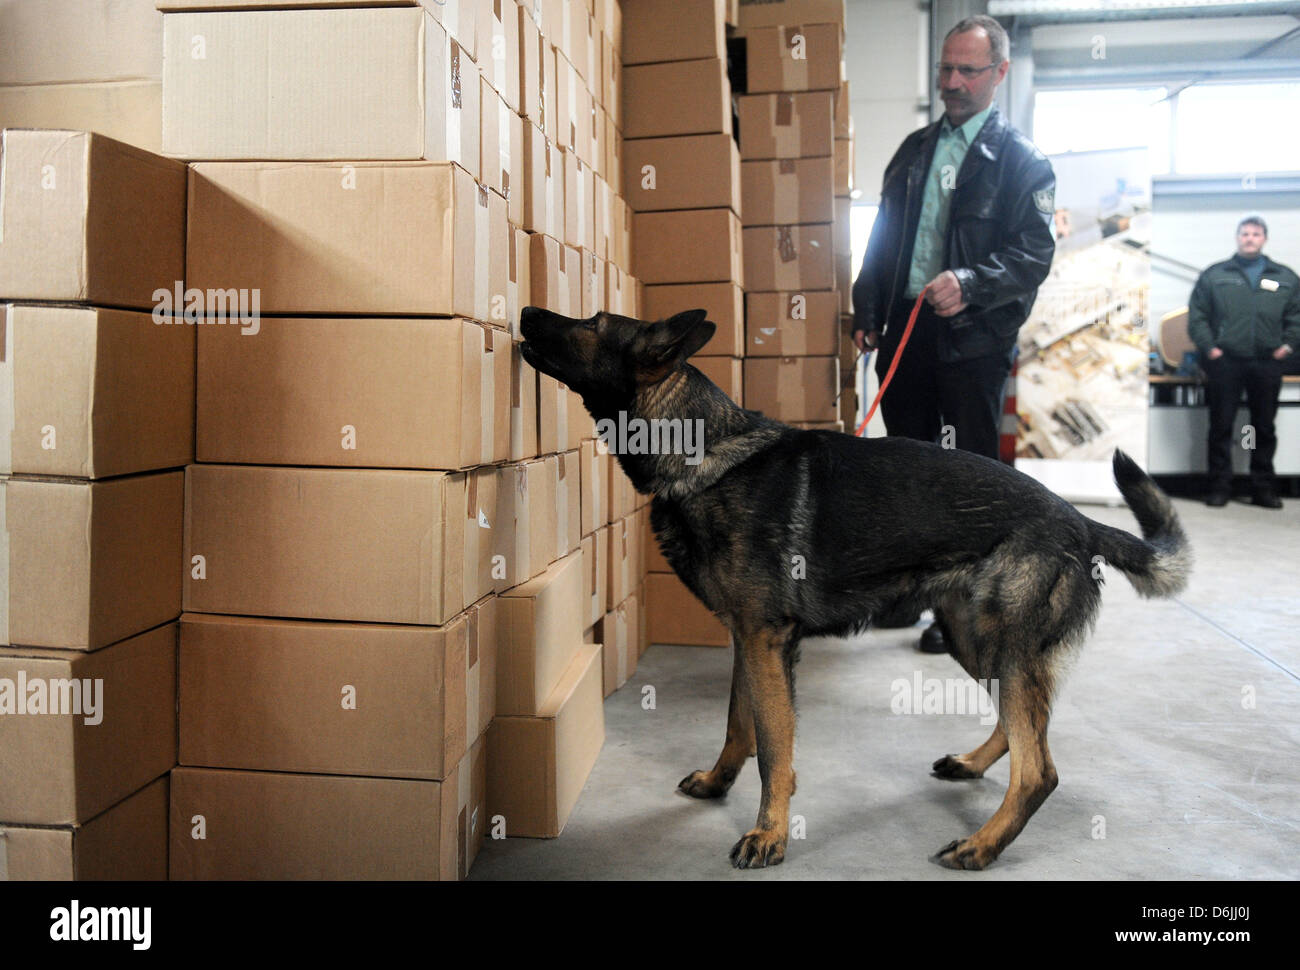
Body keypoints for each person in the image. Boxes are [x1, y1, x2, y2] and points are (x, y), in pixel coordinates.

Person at [851, 15, 1056, 654]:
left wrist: (969, 281)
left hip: (971, 343)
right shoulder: (913, 151)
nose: (954, 82)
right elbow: (884, 238)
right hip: (906, 332)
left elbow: (1033, 254)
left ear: (1000, 73)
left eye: (969, 70)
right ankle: (912, 594)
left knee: (967, 478)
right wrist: (866, 308)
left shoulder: (1022, 162)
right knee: (906, 468)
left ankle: (961, 615)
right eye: (946, 69)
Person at [1188, 215, 1298, 509]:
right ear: (1237, 238)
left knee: (1262, 427)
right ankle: (1220, 487)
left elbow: (1296, 317)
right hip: (1226, 363)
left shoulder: (1285, 277)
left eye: (1256, 234)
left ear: (1264, 239)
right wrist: (1211, 349)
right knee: (1221, 426)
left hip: (1267, 363)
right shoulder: (1216, 275)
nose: (1250, 238)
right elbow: (1197, 315)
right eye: (1245, 233)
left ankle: (1262, 488)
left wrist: (1287, 346)